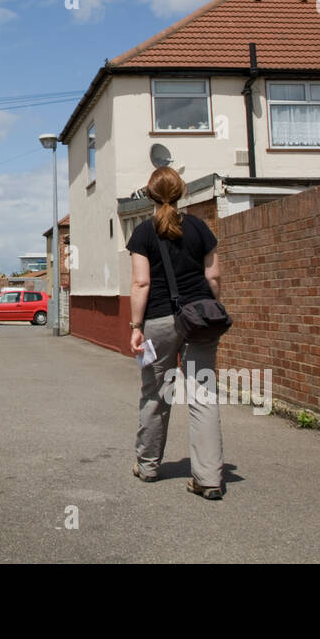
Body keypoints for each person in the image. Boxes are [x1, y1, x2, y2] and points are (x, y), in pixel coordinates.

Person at [126, 166, 225, 499]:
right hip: (198, 320)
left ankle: (149, 465)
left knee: (156, 393)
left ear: (150, 195)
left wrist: (136, 327)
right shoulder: (200, 228)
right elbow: (213, 278)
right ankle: (209, 478)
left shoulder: (143, 233)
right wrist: (208, 309)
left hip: (158, 322)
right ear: (181, 192)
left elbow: (141, 283)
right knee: (203, 395)